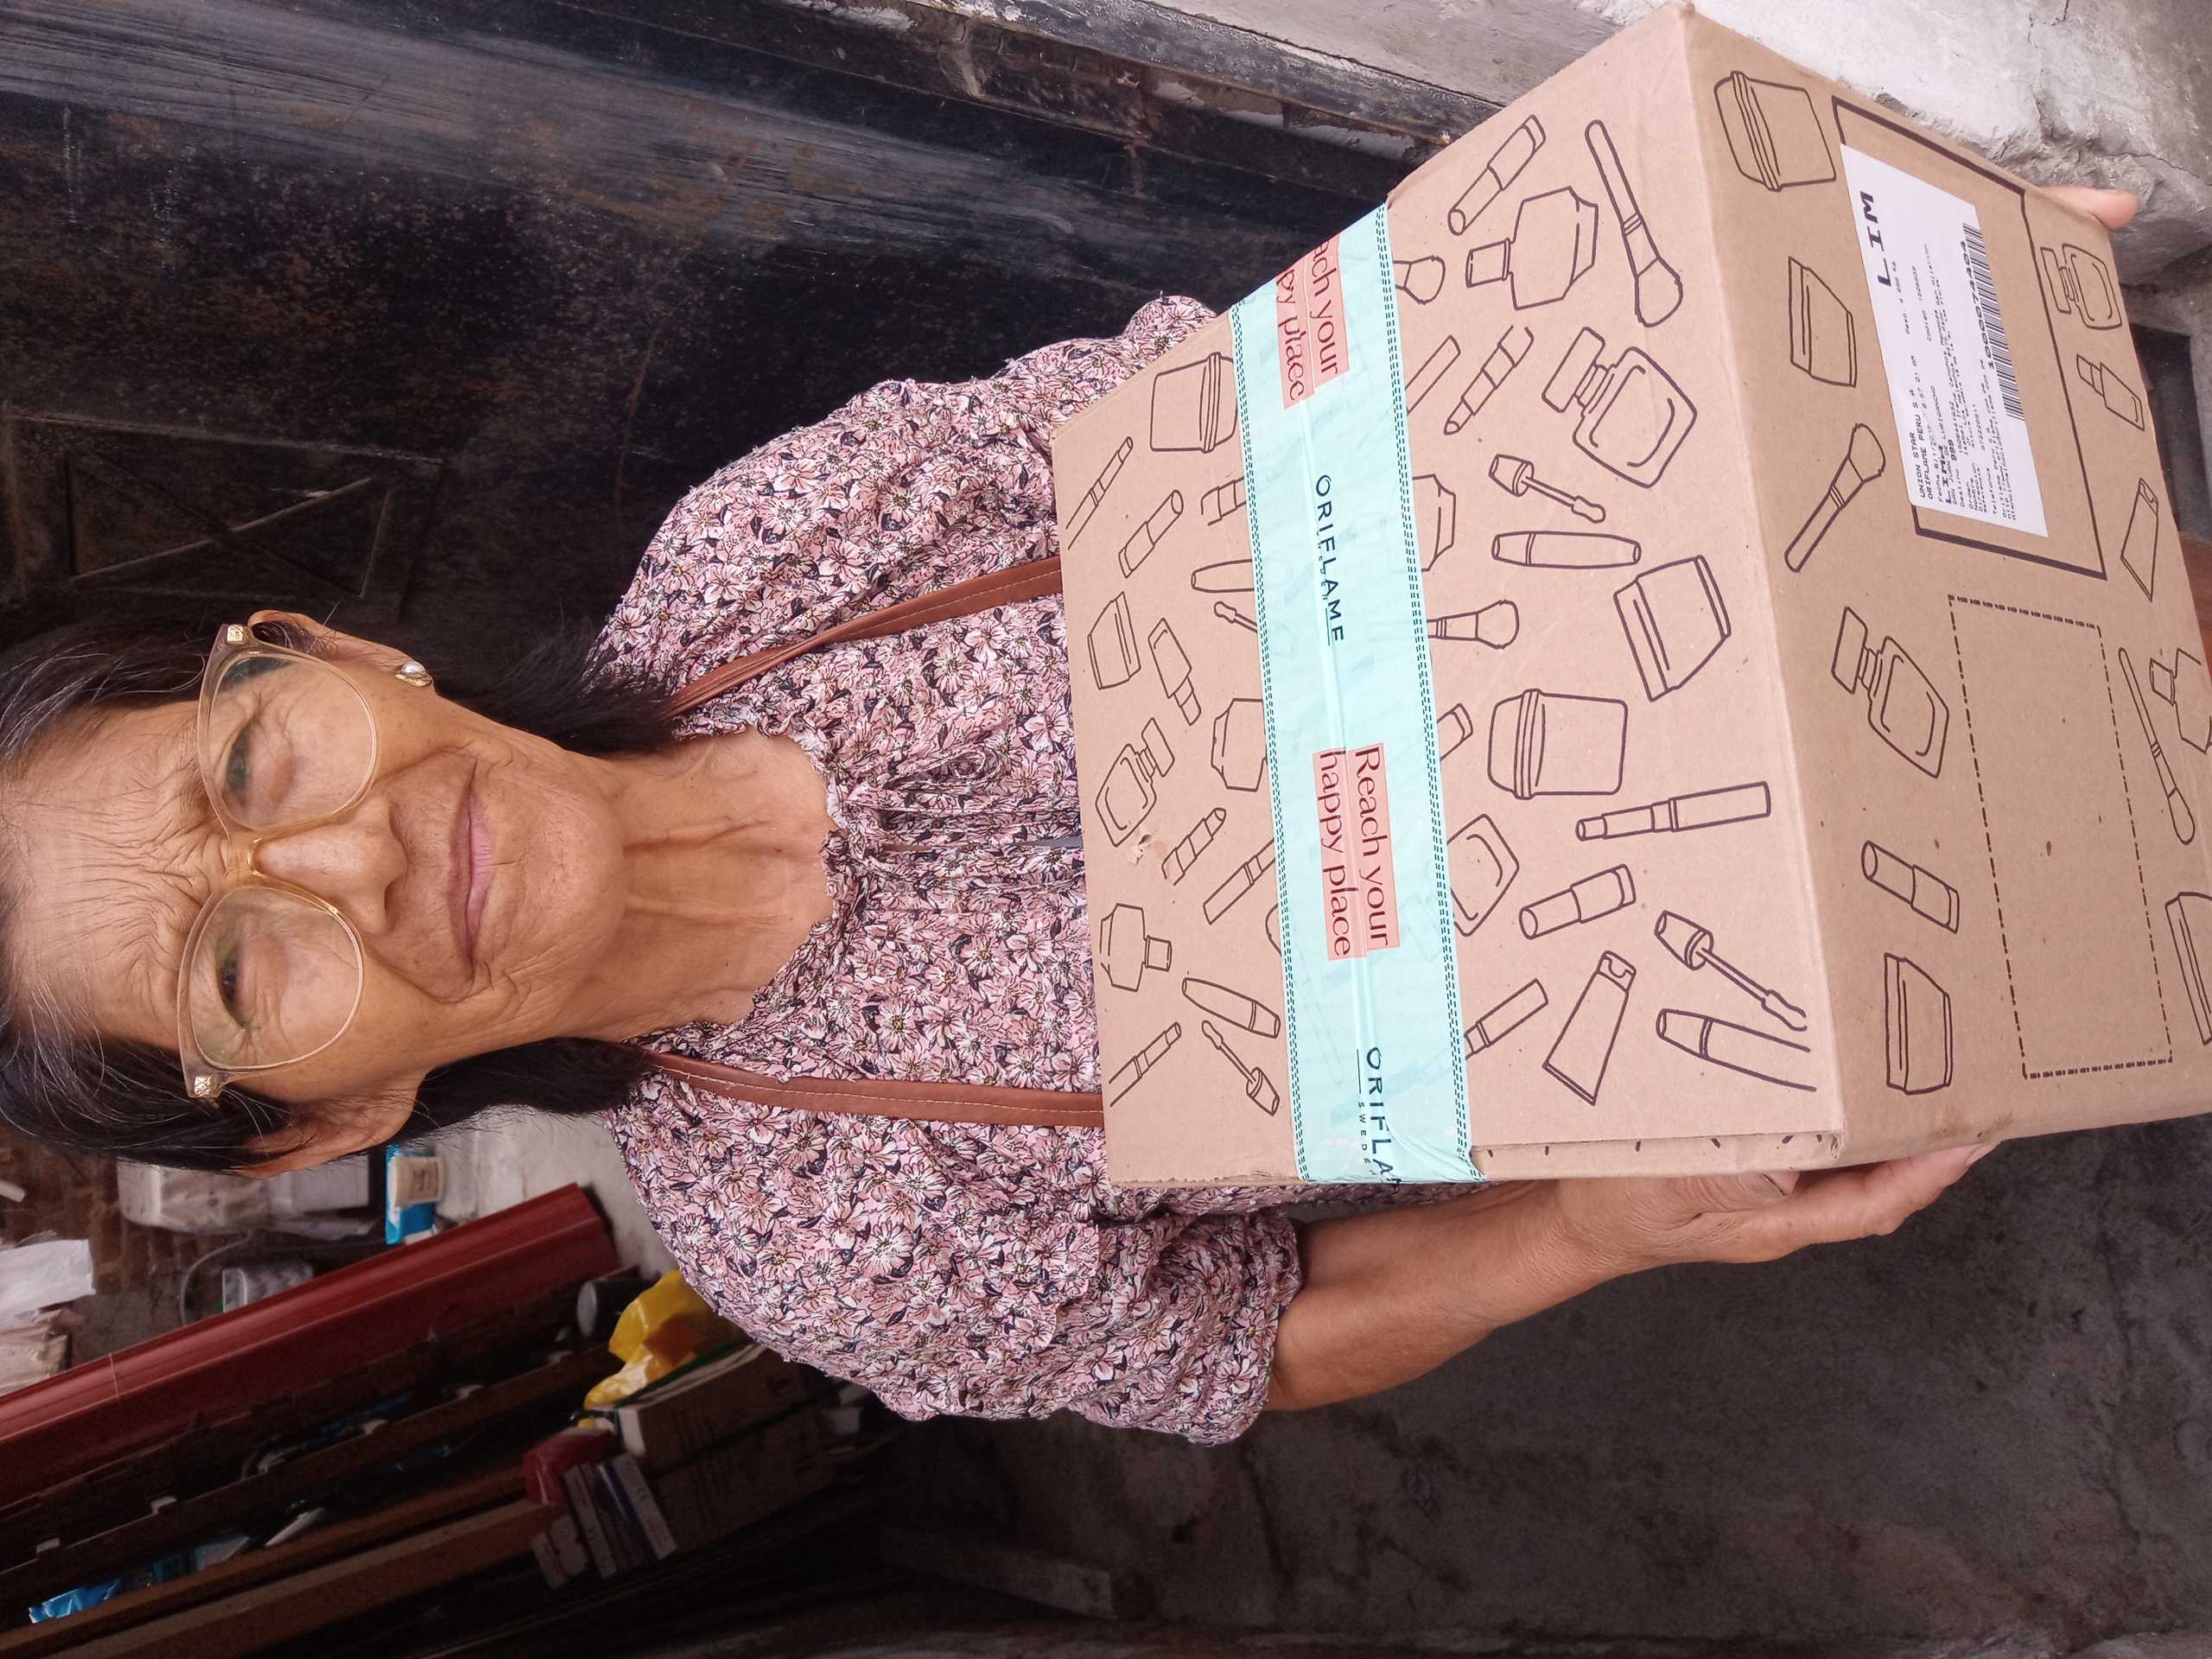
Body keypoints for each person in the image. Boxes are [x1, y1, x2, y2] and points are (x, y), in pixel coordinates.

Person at [0, 188, 2139, 1444]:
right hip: (1892, 936)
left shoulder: (783, 544)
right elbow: (1249, 1340)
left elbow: (1305, 379)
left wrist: (1817, 258)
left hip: (1854, 559)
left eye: (248, 772)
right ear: (324, 1119)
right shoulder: (805, 1239)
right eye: (238, 964)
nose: (350, 858)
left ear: (329, 658)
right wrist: (1595, 1227)